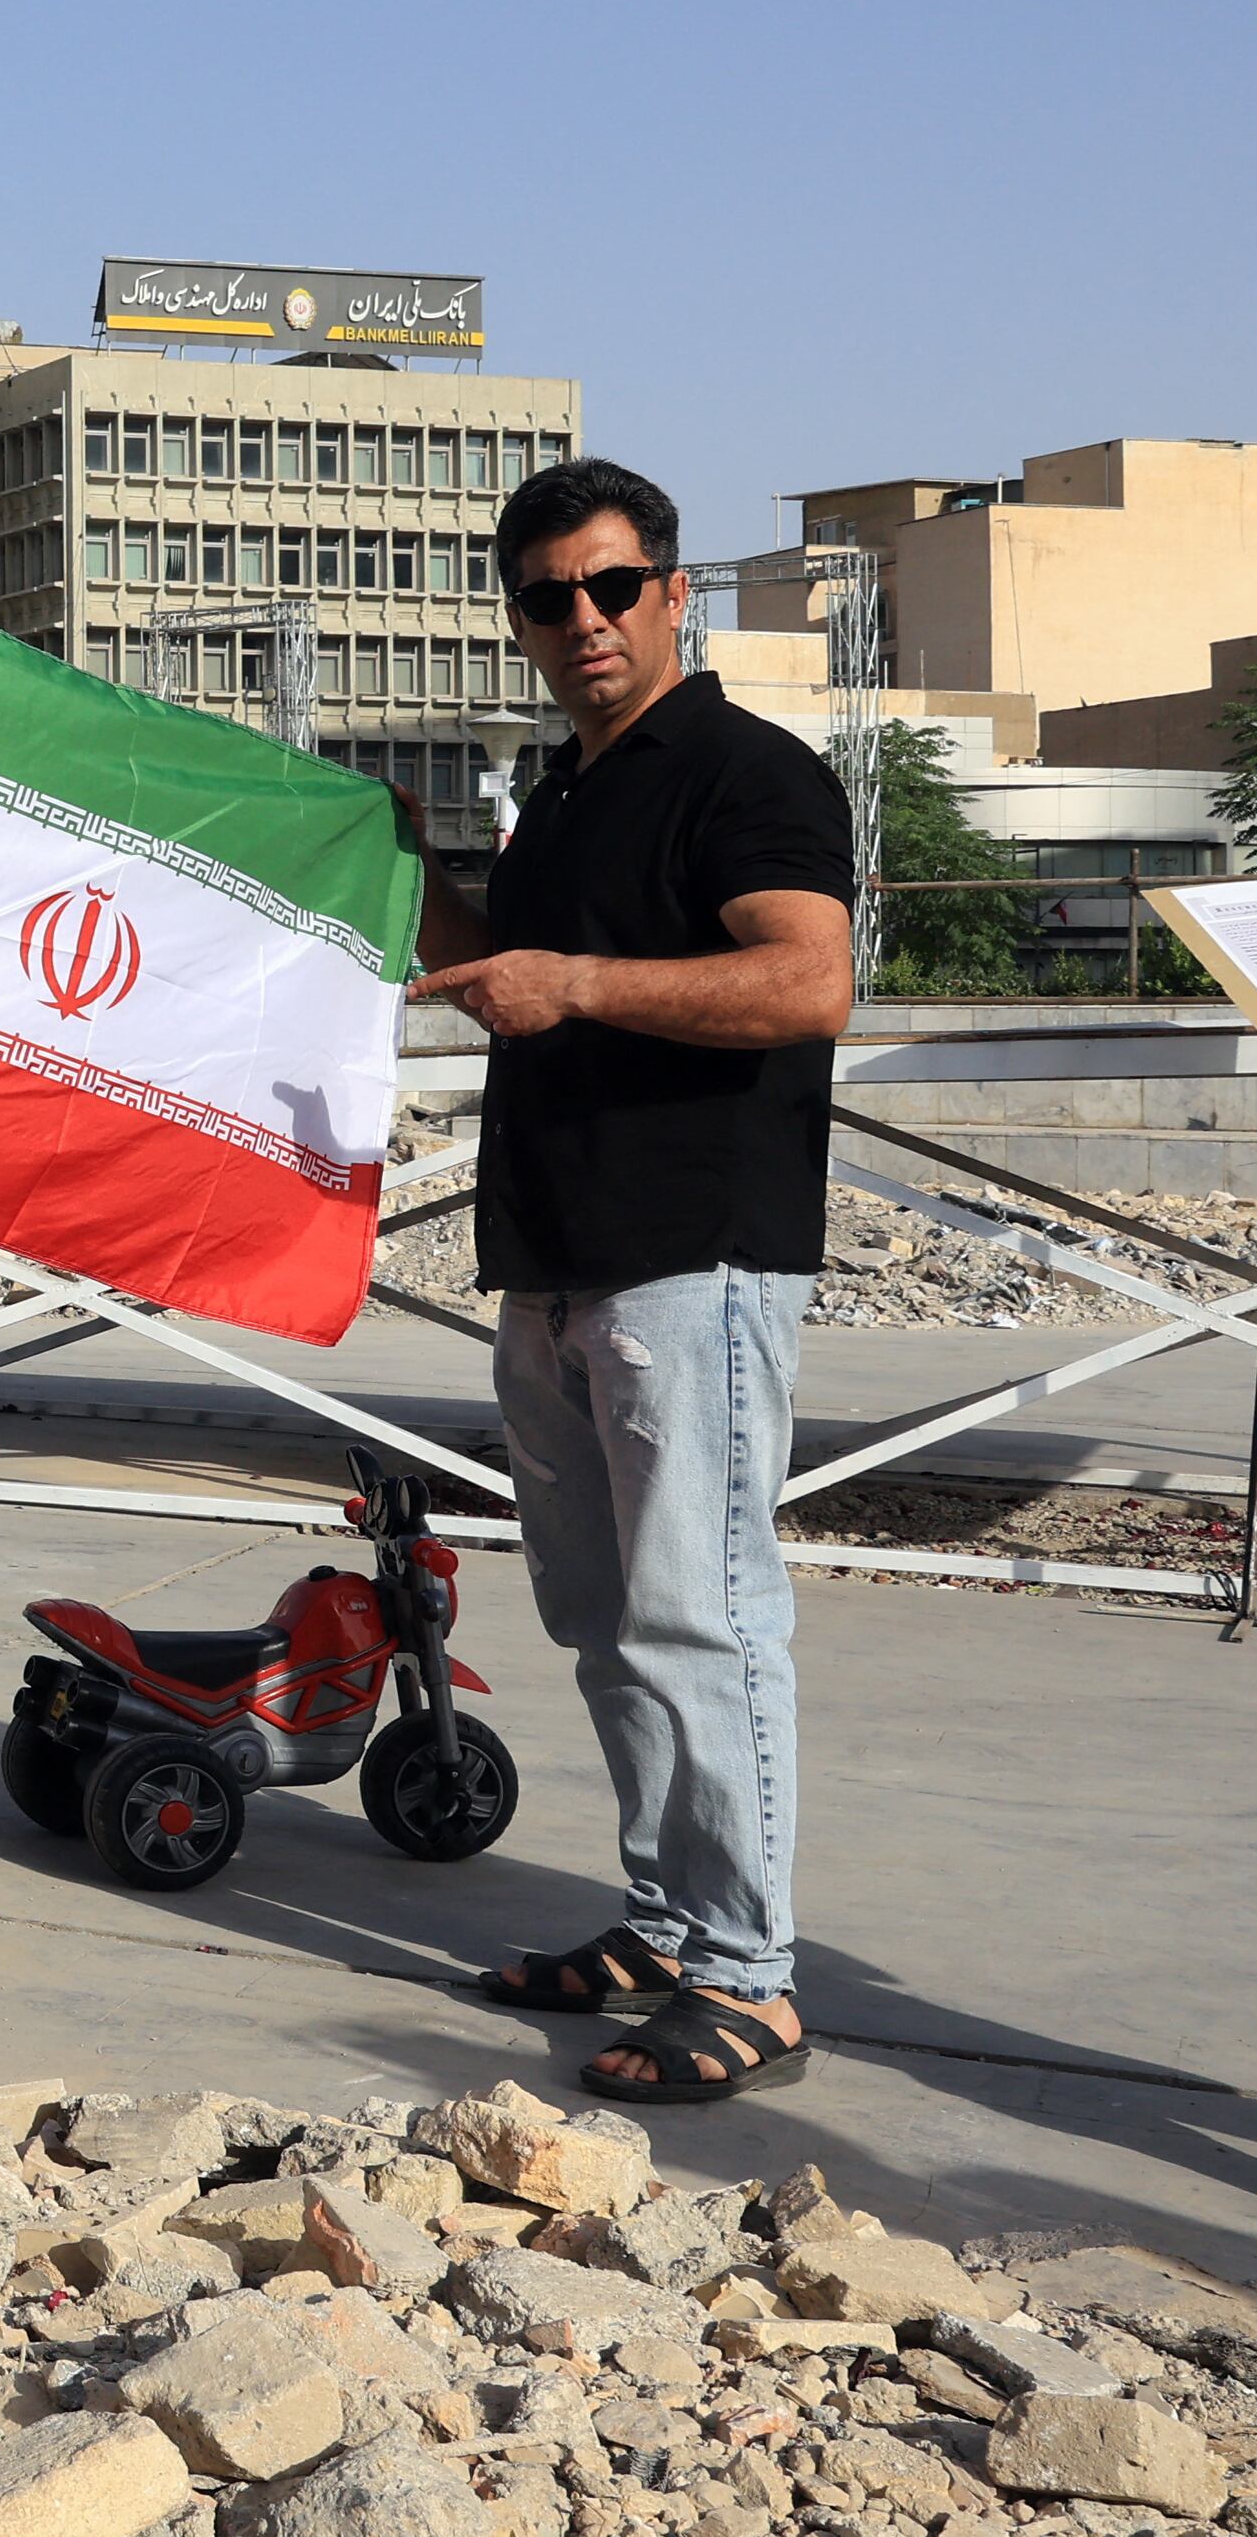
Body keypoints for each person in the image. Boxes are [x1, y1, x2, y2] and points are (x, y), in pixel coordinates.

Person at [410, 459, 854, 2104]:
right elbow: (507, 991)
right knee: (601, 1621)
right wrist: (412, 877)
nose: (581, 620)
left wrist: (576, 975)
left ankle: (750, 1974)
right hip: (554, 1259)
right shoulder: (571, 792)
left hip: (693, 1257)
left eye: (610, 587)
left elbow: (811, 981)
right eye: (546, 597)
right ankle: (668, 1922)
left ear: (675, 590)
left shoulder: (745, 770)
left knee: (701, 1616)